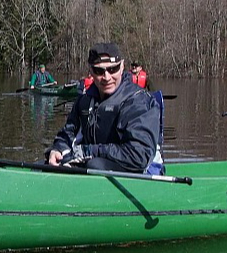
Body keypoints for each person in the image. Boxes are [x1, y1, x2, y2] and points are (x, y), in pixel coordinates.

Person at [47, 42, 163, 175]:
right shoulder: (84, 100)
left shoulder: (139, 101)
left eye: (113, 69)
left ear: (122, 66)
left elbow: (139, 156)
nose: (107, 77)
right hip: (96, 162)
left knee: (95, 165)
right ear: (90, 71)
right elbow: (67, 134)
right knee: (47, 164)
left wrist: (89, 151)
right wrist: (58, 149)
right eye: (99, 71)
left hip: (143, 170)